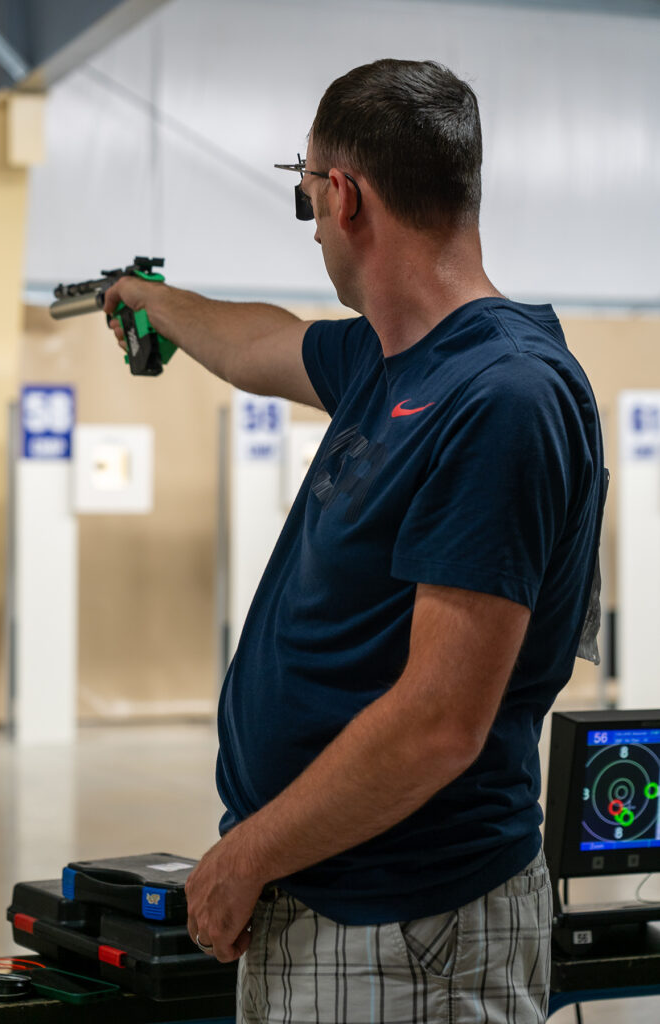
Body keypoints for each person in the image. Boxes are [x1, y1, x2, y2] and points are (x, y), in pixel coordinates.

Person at [104, 58, 605, 1024]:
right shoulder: (391, 359)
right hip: (334, 900)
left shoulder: (500, 395)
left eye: (305, 197)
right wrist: (145, 299)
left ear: (343, 196)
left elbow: (438, 721)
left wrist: (244, 856)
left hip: (405, 929)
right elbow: (257, 342)